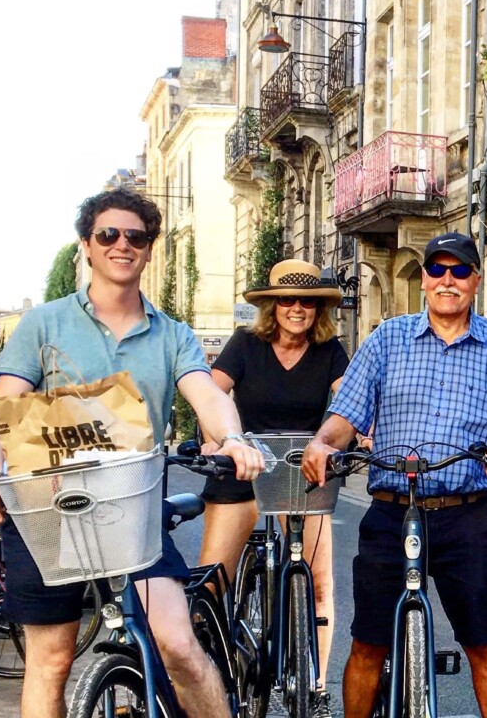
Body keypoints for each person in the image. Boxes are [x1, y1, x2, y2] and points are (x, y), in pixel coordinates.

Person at [0, 188, 265, 718]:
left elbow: (206, 393)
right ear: (87, 244)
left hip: (133, 513)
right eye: (108, 234)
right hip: (49, 511)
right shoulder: (45, 324)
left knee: (178, 645)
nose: (121, 245)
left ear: (149, 248)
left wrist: (234, 440)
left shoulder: (173, 334)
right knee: (51, 662)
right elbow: (1, 407)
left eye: (136, 236)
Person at [300, 232, 487, 718]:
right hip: (391, 511)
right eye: (437, 270)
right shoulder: (386, 338)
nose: (447, 280)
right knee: (368, 644)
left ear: (476, 280)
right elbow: (347, 414)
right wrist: (324, 442)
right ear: (424, 279)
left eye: (460, 271)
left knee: (483, 644)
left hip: (466, 516)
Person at [197, 259, 350, 717]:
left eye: (307, 301)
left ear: (317, 309)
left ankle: (317, 686)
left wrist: (364, 433)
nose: (297, 308)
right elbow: (210, 392)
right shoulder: (245, 345)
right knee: (209, 586)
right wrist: (216, 440)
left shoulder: (330, 350)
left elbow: (350, 401)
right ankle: (204, 667)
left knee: (319, 581)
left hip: (301, 471)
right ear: (272, 305)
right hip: (242, 467)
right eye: (287, 299)